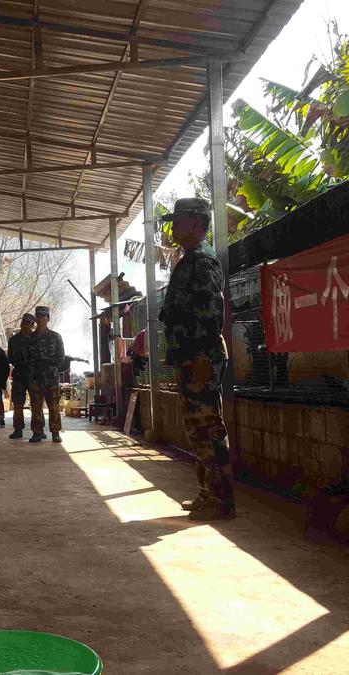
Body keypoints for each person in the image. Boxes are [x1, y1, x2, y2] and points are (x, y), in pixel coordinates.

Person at [158, 197, 235, 521]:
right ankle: (207, 493)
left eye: (179, 220)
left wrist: (202, 357)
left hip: (200, 357)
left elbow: (211, 313)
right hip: (190, 357)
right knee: (196, 429)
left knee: (207, 427)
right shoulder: (189, 259)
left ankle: (221, 500)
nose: (173, 227)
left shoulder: (202, 260)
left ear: (197, 223)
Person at [27, 306, 64, 443]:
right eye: (39, 316)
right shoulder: (30, 338)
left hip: (51, 378)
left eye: (44, 316)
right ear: (36, 319)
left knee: (53, 407)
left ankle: (55, 433)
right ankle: (37, 432)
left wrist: (48, 364)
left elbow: (61, 357)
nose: (41, 319)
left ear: (48, 318)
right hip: (35, 378)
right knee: (36, 407)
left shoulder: (55, 337)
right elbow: (26, 358)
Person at [6, 314, 35, 439]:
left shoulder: (35, 338)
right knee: (17, 403)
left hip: (33, 375)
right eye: (23, 322)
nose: (24, 325)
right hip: (19, 375)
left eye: (27, 323)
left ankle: (38, 429)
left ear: (32, 325)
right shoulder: (14, 340)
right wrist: (20, 363)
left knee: (36, 403)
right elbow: (10, 357)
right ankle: (18, 429)